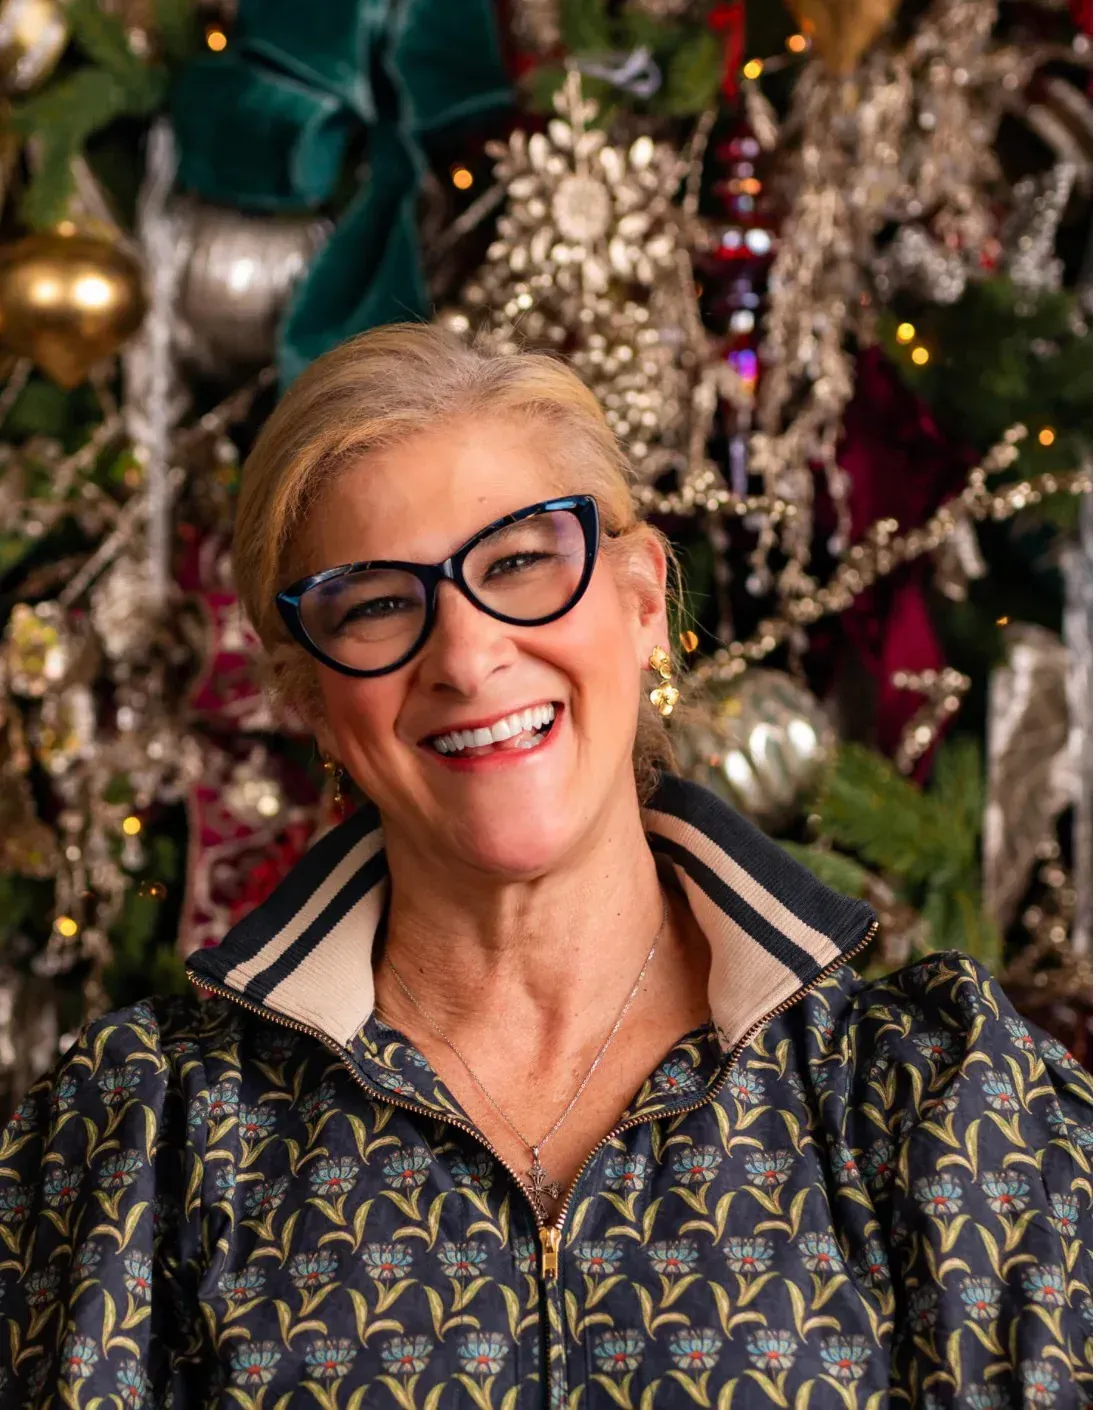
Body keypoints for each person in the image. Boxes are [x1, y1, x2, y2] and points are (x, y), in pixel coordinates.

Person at [0, 326, 1090, 1409]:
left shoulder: (936, 1105)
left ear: (643, 601)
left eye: (521, 562)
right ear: (309, 703)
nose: (469, 657)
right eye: (378, 604)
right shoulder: (149, 1135)